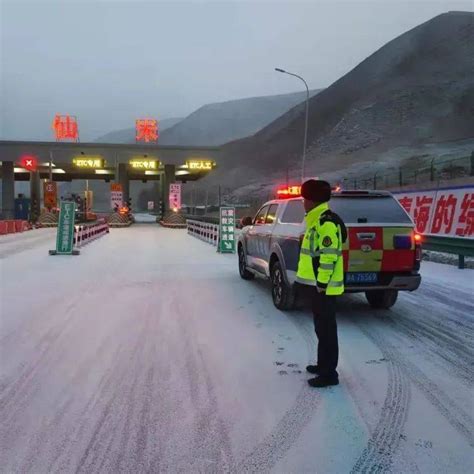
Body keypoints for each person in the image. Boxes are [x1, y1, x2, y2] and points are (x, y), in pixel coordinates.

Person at [296, 180, 347, 388]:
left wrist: (322, 283)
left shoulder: (325, 223)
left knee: (326, 329)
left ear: (313, 200)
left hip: (324, 286)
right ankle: (322, 364)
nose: (303, 203)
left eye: (304, 199)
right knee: (320, 327)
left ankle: (329, 374)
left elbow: (329, 255)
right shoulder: (316, 221)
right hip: (318, 285)